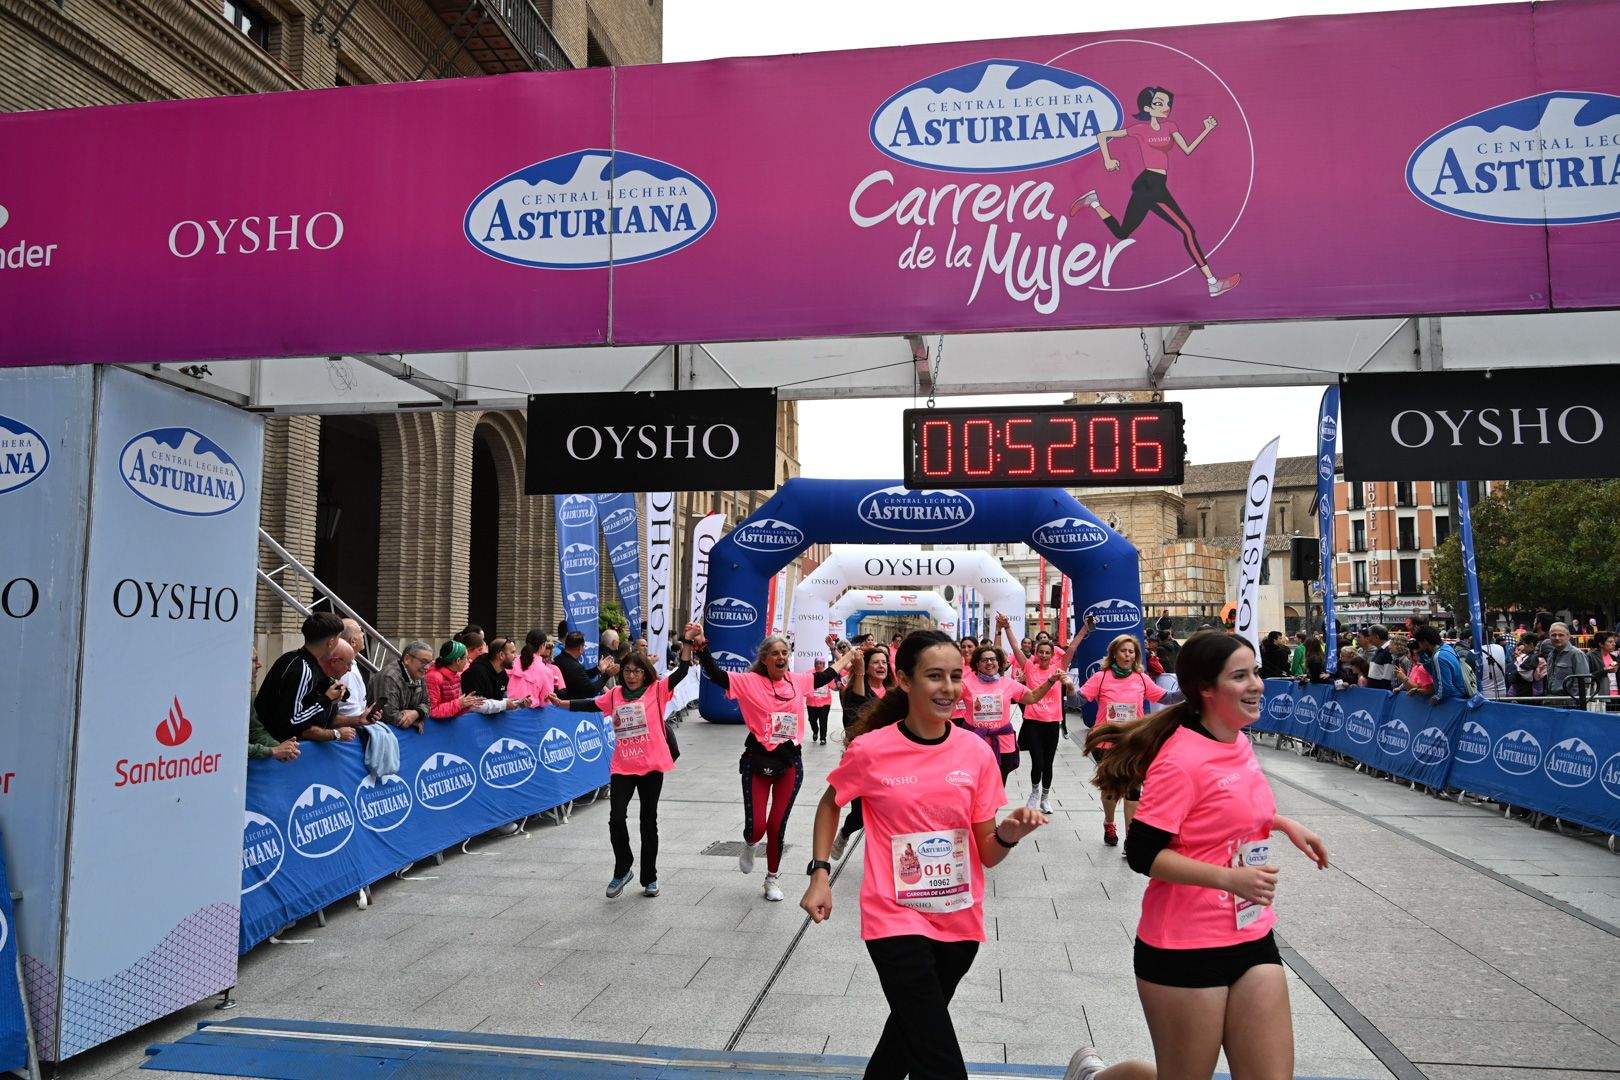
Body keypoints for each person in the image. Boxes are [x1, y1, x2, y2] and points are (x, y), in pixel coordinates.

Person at [801, 631, 1149, 1080]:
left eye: (953, 676)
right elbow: (832, 802)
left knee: (909, 1035)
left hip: (958, 919)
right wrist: (820, 872)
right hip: (894, 917)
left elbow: (986, 853)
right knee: (937, 1056)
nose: (948, 688)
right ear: (904, 680)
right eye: (934, 676)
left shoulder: (975, 753)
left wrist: (1008, 834)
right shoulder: (872, 750)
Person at [1085, 632, 1328, 1080]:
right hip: (1184, 945)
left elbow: (1225, 811)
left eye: (1255, 671)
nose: (1256, 683)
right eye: (1240, 676)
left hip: (1250, 934)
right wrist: (1229, 879)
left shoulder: (1236, 741)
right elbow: (1142, 853)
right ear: (1206, 689)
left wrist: (1283, 824)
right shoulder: (1180, 759)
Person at [693, 627, 857, 902]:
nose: (782, 657)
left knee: (777, 824)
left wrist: (848, 655)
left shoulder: (798, 681)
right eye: (775, 654)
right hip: (757, 759)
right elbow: (716, 674)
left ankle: (771, 878)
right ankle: (749, 843)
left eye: (785, 652)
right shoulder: (749, 681)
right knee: (757, 827)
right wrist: (700, 645)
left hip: (789, 760)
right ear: (765, 659)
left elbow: (829, 674)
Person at [556, 640, 691, 898]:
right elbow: (591, 704)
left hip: (651, 765)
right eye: (627, 671)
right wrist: (562, 704)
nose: (631, 676)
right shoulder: (615, 695)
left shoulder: (657, 690)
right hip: (623, 766)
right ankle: (623, 868)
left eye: (637, 671)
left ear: (645, 673)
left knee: (647, 822)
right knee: (616, 818)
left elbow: (683, 671)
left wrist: (686, 643)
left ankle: (649, 877)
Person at [1078, 634, 1168, 848]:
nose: (1127, 655)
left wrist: (1190, 691)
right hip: (1105, 742)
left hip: (1133, 743)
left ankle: (1130, 839)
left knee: (1133, 790)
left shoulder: (1141, 678)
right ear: (1114, 654)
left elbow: (1166, 697)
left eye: (1131, 651)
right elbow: (1079, 698)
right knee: (1111, 790)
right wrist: (1069, 689)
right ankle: (1109, 823)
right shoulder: (1101, 677)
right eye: (1123, 650)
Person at [959, 616, 1065, 785]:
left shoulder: (1008, 684)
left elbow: (1033, 697)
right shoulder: (966, 684)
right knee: (977, 786)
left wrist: (1051, 680)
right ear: (977, 664)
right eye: (984, 660)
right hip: (975, 744)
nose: (989, 663)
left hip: (1003, 745)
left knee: (998, 787)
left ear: (999, 663)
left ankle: (992, 812)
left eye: (993, 659)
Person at [1001, 619, 1088, 814]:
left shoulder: (1059, 667)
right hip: (1032, 722)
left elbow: (1073, 647)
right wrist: (1007, 627)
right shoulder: (1030, 667)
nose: (1044, 655)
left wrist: (1084, 629)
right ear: (1036, 653)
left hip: (1052, 723)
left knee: (1048, 763)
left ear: (1052, 654)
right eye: (1041, 652)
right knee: (1037, 761)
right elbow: (1015, 648)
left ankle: (1045, 798)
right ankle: (1034, 794)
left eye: (1048, 652)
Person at [832, 641, 894, 860]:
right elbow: (856, 709)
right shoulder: (856, 691)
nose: (881, 666)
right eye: (876, 662)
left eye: (884, 662)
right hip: (864, 760)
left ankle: (884, 856)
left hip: (891, 761)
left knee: (891, 811)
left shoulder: (894, 693)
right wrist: (857, 673)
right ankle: (845, 832)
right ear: (866, 667)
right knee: (858, 815)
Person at [255, 611, 353, 743]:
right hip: (276, 744)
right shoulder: (303, 669)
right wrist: (326, 700)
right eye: (338, 638)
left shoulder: (291, 658)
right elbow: (292, 720)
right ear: (330, 642)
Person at [247, 645, 299, 762]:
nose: (259, 665)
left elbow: (256, 731)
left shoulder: (245, 694)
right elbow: (229, 745)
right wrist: (272, 751)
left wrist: (281, 748)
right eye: (254, 660)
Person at [371, 640, 433, 732]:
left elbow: (428, 704)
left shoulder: (419, 675)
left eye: (429, 663)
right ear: (407, 659)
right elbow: (387, 714)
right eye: (423, 662)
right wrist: (410, 721)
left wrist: (415, 713)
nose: (427, 667)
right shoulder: (389, 677)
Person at [460, 635, 531, 712]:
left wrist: (519, 703)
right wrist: (504, 704)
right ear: (501, 655)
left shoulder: (503, 675)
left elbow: (500, 700)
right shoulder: (475, 672)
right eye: (512, 652)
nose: (516, 656)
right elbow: (475, 705)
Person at [426, 640, 484, 720]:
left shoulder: (456, 676)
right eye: (466, 658)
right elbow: (431, 711)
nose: (469, 660)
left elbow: (454, 710)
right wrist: (460, 703)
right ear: (458, 661)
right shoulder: (433, 677)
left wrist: (468, 704)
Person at [1411, 626, 1469, 703]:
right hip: (1460, 696)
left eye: (1419, 642)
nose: (1418, 645)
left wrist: (1436, 697)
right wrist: (1421, 653)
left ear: (1425, 641)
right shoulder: (1447, 648)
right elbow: (1434, 672)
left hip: (1453, 700)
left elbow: (1445, 686)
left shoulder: (1439, 656)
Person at [555, 631, 619, 699]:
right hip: (570, 705)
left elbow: (581, 675)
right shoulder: (575, 667)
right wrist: (607, 675)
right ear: (580, 648)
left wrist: (598, 669)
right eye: (584, 646)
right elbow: (591, 691)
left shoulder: (557, 659)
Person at [509, 629, 560, 709]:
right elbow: (544, 702)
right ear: (543, 645)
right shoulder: (546, 671)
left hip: (505, 712)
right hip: (529, 716)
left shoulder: (511, 662)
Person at [1541, 622, 1591, 701]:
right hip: (1551, 700)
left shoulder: (1576, 654)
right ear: (1549, 637)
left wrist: (1573, 700)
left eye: (1561, 635)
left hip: (1569, 702)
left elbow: (1584, 681)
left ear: (1568, 636)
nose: (1557, 638)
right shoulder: (1551, 654)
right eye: (1553, 635)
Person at [335, 619, 372, 725]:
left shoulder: (352, 663)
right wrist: (362, 718)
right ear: (353, 641)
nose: (363, 634)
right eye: (360, 631)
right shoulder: (344, 669)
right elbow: (349, 711)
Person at [807, 657, 836, 745]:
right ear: (814, 664)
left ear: (824, 665)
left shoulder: (827, 674)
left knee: (823, 721)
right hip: (811, 702)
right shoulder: (808, 674)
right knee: (812, 720)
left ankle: (823, 738)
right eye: (817, 663)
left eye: (821, 663)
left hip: (825, 703)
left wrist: (840, 685)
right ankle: (815, 731)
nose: (819, 665)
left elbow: (833, 687)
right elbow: (804, 686)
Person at [1364, 625, 1397, 690]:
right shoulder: (1379, 650)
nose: (1368, 638)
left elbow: (1387, 678)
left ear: (1377, 637)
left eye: (1369, 635)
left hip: (1380, 694)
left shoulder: (1388, 651)